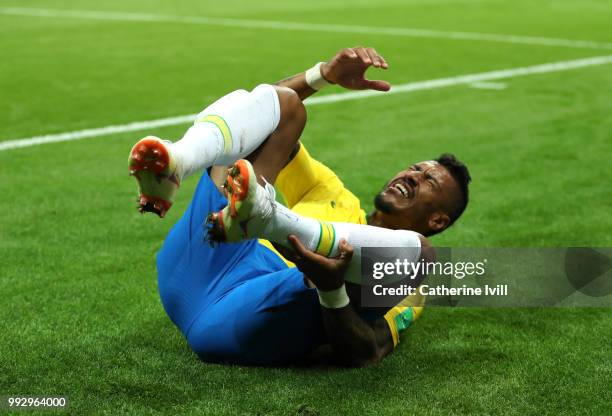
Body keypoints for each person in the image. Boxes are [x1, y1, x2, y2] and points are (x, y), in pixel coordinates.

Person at [128, 47, 471, 366]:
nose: (413, 176)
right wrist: (321, 76)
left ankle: (271, 220)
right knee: (289, 106)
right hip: (209, 256)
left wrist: (331, 287)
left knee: (419, 256)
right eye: (415, 168)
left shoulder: (413, 291)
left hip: (247, 313)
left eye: (429, 181)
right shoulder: (330, 189)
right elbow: (265, 114)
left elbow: (367, 351)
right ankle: (179, 162)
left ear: (438, 220)